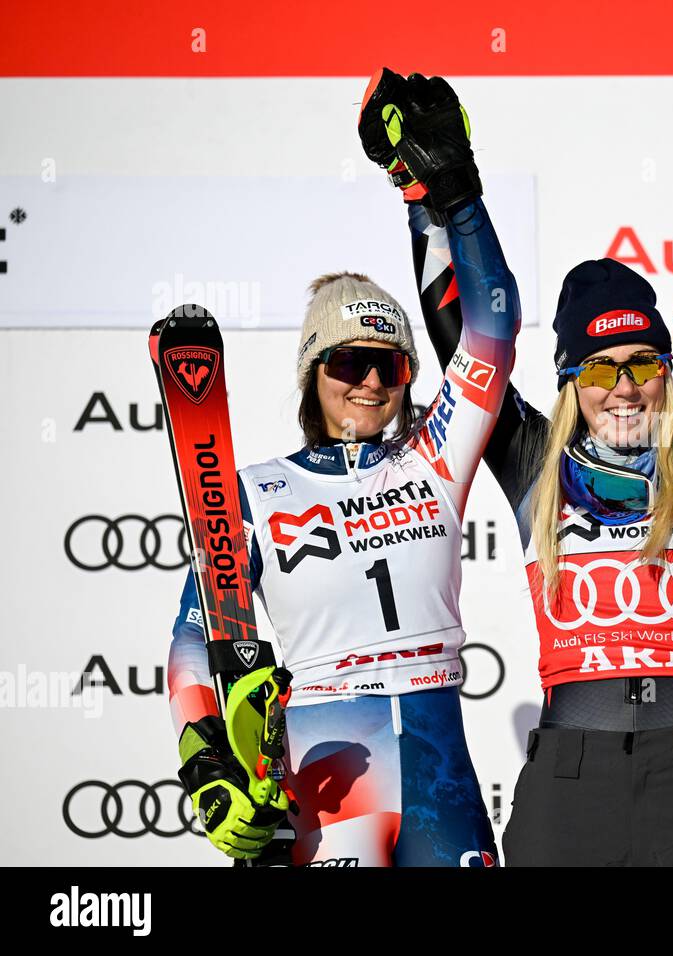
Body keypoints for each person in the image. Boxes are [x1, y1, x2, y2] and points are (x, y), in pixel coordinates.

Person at [358, 63, 673, 865]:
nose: (624, 387)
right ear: (568, 382)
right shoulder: (534, 461)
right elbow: (463, 334)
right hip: (569, 777)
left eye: (642, 362)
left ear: (668, 367)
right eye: (598, 369)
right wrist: (431, 196)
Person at [166, 100, 521, 865]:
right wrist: (207, 771)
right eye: (347, 363)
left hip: (441, 775)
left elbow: (492, 322)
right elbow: (194, 642)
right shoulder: (254, 490)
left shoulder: (432, 453)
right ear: (311, 375)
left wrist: (449, 194)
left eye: (388, 364)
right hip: (326, 774)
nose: (368, 382)